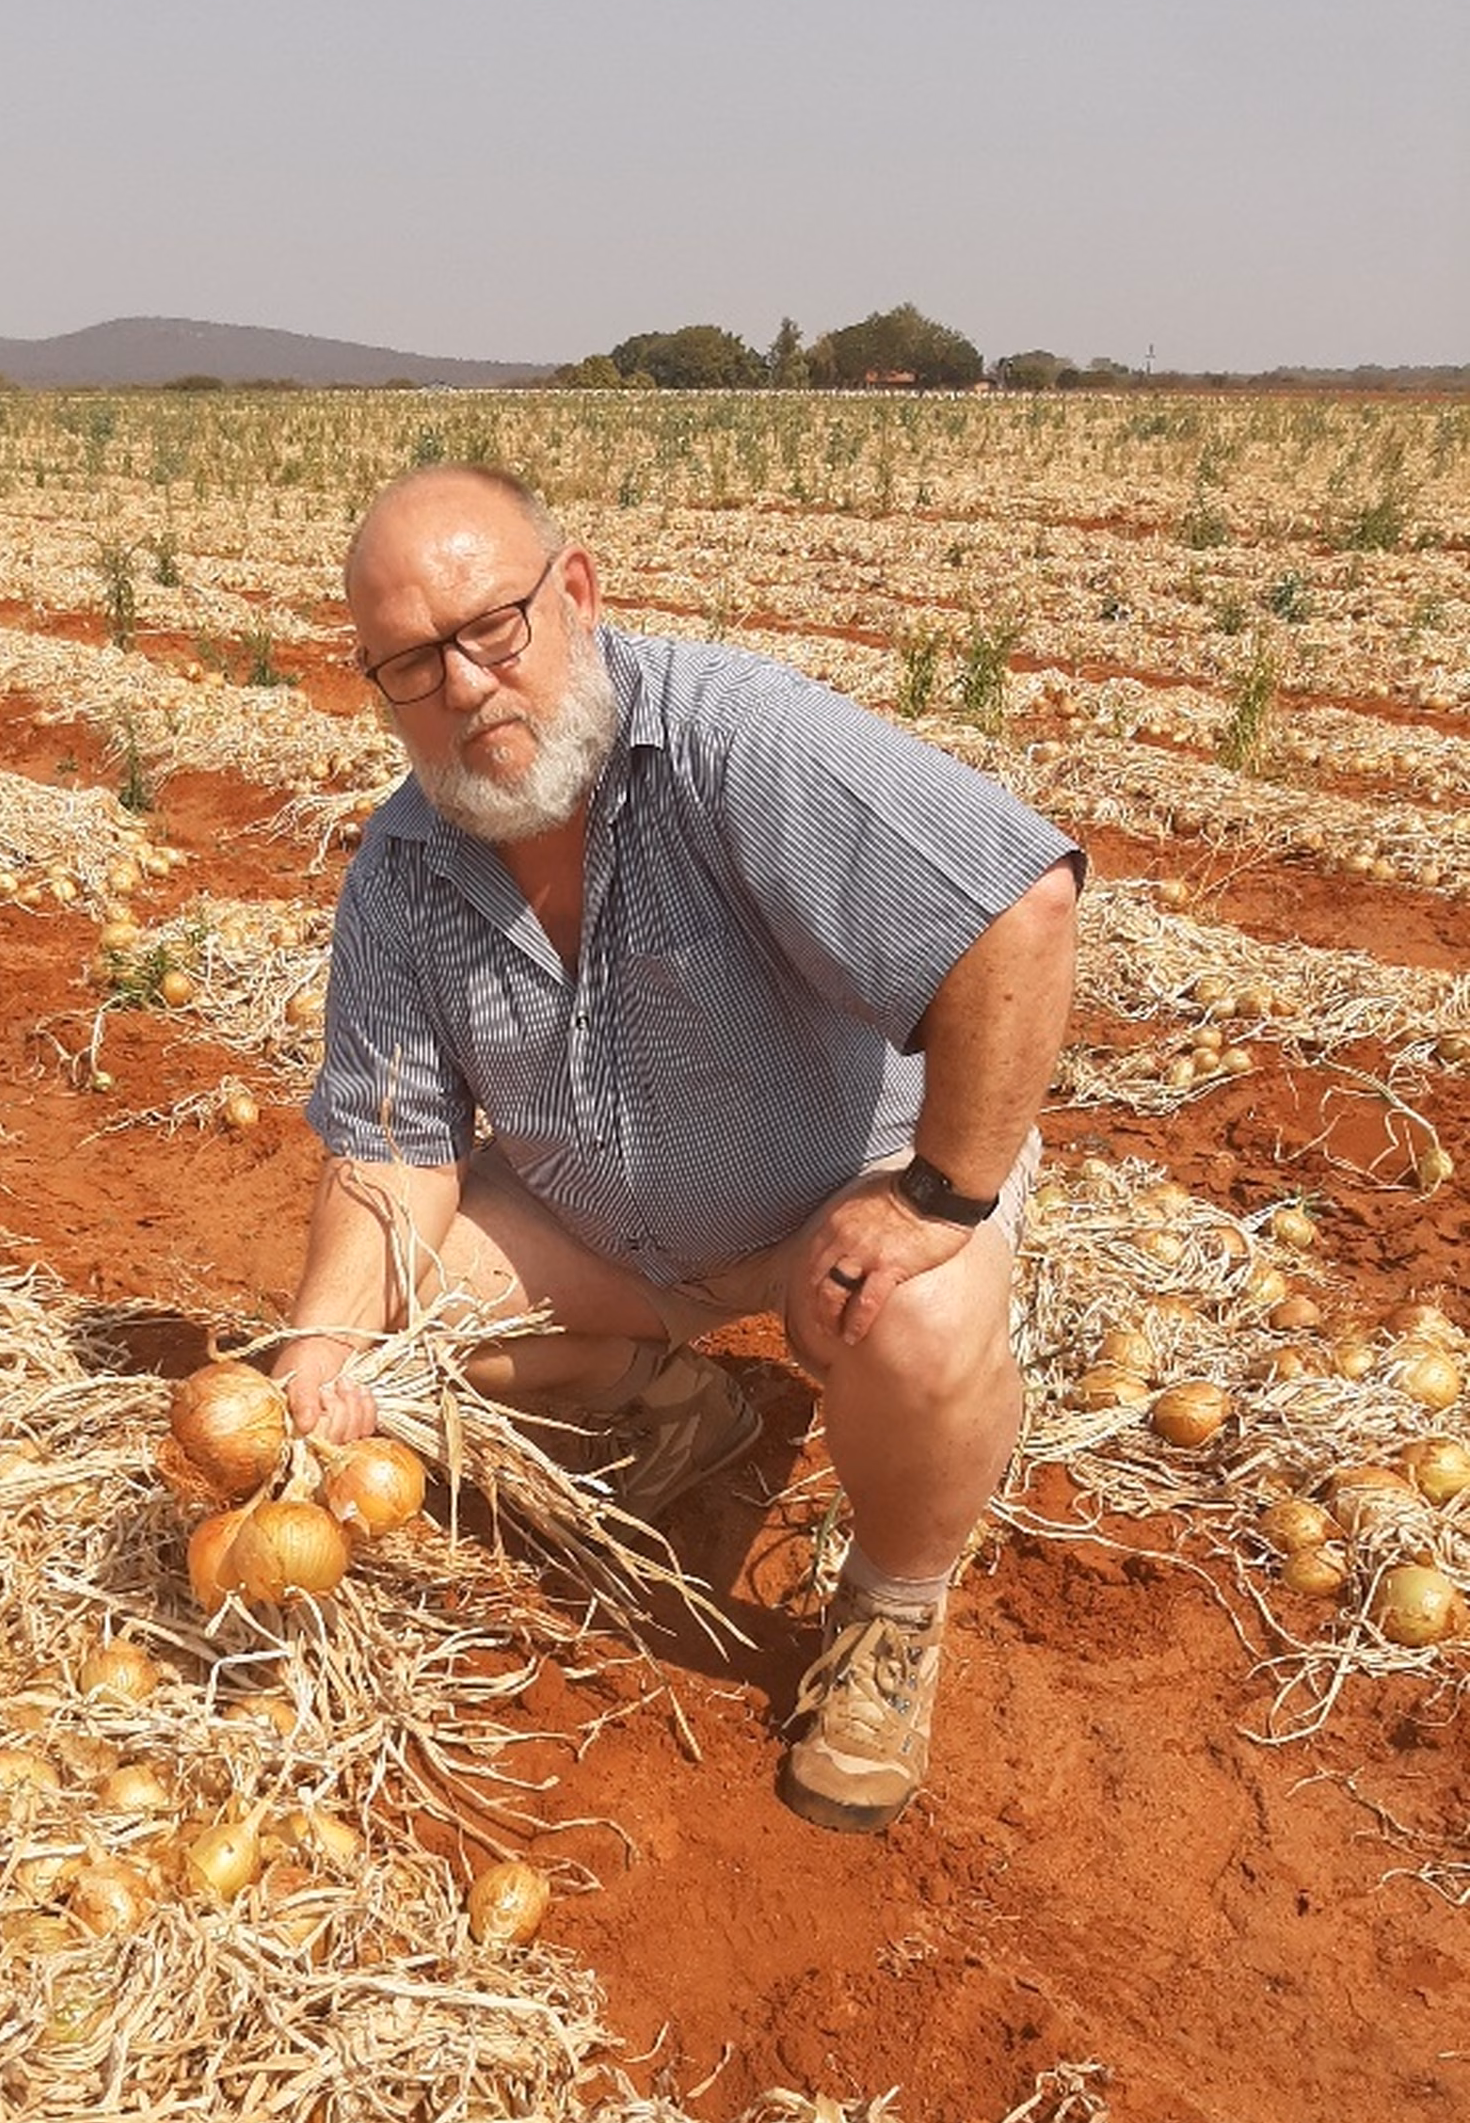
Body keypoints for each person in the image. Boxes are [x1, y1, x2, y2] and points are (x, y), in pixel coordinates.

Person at [273, 465, 1082, 1834]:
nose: (466, 686)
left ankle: (890, 1611)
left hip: (846, 1209)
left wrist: (938, 1196)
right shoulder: (403, 868)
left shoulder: (730, 742)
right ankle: (675, 1407)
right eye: (413, 663)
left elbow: (1021, 908)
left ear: (575, 593)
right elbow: (392, 1142)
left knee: (925, 1324)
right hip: (618, 1238)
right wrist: (319, 1345)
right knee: (393, 1330)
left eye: (491, 628)